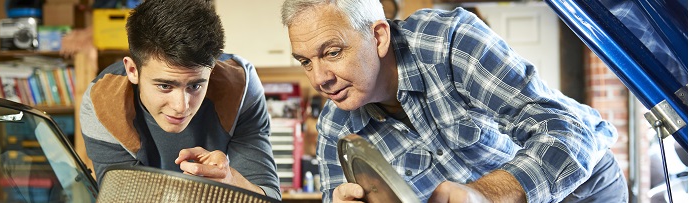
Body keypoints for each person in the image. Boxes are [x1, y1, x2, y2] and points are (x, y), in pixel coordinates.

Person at [280, 0, 627, 202]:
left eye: (333, 52)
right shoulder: (334, 128)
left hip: (581, 187)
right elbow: (333, 195)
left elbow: (568, 132)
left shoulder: (449, 42)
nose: (319, 78)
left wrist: (483, 195)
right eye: (306, 61)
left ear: (378, 36)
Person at [80, 0, 280, 200]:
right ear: (133, 70)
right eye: (165, 86)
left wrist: (231, 183)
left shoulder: (241, 89)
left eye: (195, 86)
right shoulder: (101, 104)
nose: (181, 106)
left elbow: (268, 197)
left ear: (212, 69)